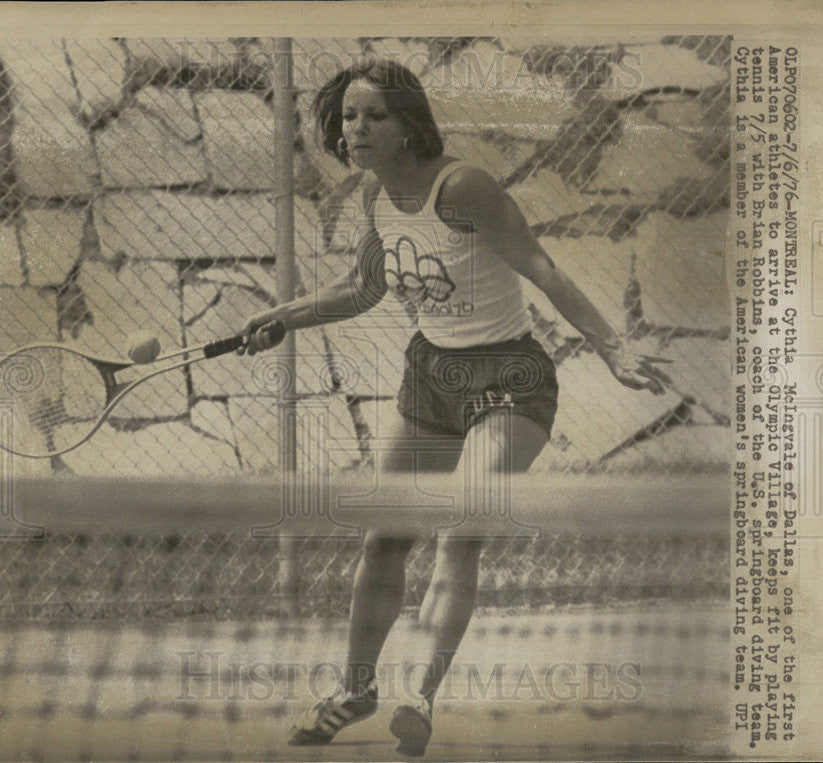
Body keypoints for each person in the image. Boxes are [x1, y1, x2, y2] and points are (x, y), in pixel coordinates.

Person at [238, 59, 670, 756]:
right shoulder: (377, 197)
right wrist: (283, 315)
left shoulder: (462, 186)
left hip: (510, 377)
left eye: (375, 116)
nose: (357, 129)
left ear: (410, 125)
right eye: (349, 116)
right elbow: (360, 289)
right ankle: (355, 689)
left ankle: (419, 696)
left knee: (460, 527)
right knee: (385, 537)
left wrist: (613, 347)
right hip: (431, 374)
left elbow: (541, 265)